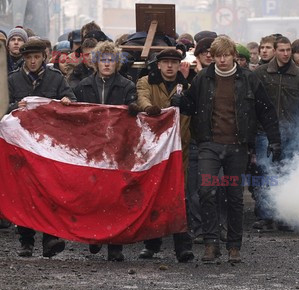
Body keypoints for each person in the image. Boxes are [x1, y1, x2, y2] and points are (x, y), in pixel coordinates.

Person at [171, 36, 281, 263]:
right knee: (206, 190)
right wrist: (180, 101)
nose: (222, 60)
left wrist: (274, 139)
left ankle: (234, 246)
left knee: (234, 196)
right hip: (209, 144)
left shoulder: (249, 79)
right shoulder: (203, 78)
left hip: (237, 146)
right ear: (212, 56)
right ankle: (211, 243)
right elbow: (191, 106)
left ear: (234, 56)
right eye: (218, 56)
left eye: (226, 55)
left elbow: (266, 110)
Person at [7, 39, 76, 257]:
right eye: (29, 58)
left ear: (43, 58)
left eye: (36, 57)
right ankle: (26, 241)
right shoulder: (12, 80)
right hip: (21, 145)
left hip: (48, 146)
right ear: (24, 59)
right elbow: (2, 107)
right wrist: (13, 107)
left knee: (49, 191)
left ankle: (50, 238)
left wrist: (66, 100)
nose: (33, 61)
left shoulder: (56, 78)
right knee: (24, 194)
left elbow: (72, 100)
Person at [73, 41, 136, 261]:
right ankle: (95, 236)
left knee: (116, 197)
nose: (107, 64)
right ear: (96, 62)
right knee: (93, 195)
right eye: (103, 60)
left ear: (117, 63)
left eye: (111, 60)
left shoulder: (127, 86)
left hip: (117, 149)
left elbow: (132, 112)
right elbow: (75, 112)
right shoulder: (83, 86)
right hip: (92, 148)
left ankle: (115, 245)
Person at [132, 48, 194, 263]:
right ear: (158, 65)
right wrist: (151, 109)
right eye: (165, 62)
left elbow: (193, 109)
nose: (169, 66)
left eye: (174, 63)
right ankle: (152, 243)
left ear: (179, 65)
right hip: (154, 150)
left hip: (180, 149)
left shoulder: (188, 86)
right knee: (154, 194)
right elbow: (142, 98)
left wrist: (184, 101)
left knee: (179, 197)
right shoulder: (146, 81)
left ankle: (183, 246)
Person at [254, 36, 299, 231]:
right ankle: (266, 215)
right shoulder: (261, 73)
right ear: (275, 51)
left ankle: (286, 215)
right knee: (266, 172)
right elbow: (254, 104)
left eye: (289, 50)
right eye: (282, 50)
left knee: (288, 173)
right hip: (265, 132)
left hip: (291, 132)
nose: (286, 54)